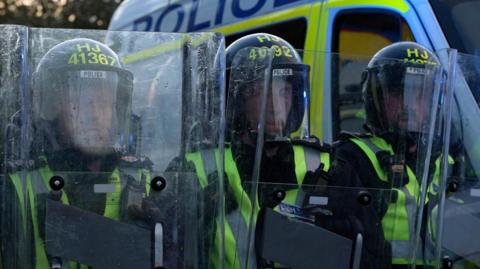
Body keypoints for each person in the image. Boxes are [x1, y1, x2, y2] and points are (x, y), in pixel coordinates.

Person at [2, 38, 152, 269]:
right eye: (81, 101)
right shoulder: (15, 187)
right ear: (52, 108)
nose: (94, 113)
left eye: (103, 101)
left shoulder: (145, 180)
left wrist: (166, 241)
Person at [185, 33, 332, 269]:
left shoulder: (325, 163)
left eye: (284, 92)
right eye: (260, 92)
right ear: (235, 100)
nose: (276, 107)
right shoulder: (195, 166)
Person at [329, 41, 445, 268]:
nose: (409, 105)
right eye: (398, 92)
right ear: (376, 98)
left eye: (420, 94)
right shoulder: (351, 158)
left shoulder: (448, 161)